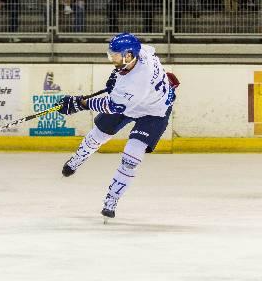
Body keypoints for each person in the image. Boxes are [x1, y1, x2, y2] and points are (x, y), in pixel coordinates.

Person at [56, 33, 179, 220]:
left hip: (154, 112)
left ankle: (112, 199)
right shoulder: (142, 52)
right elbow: (124, 82)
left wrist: (79, 104)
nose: (112, 59)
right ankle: (77, 159)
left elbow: (113, 106)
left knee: (131, 156)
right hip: (134, 100)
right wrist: (115, 75)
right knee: (98, 134)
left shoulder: (138, 82)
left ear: (128, 55)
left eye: (115, 56)